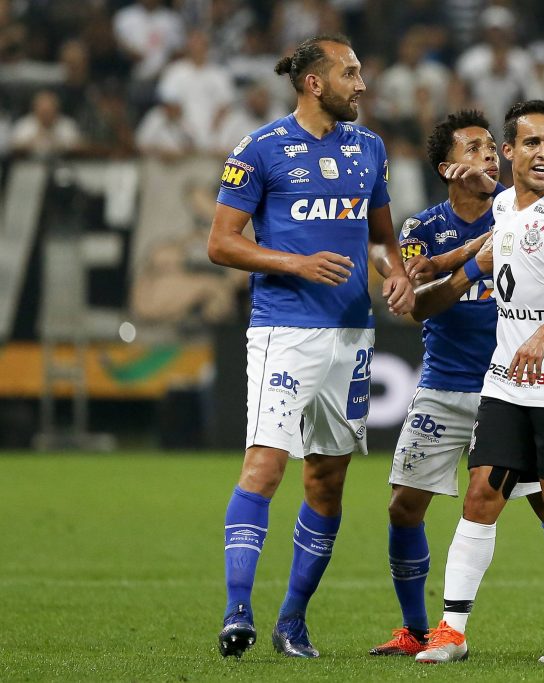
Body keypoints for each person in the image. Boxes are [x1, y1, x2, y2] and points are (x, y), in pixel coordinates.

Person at [370, 110, 544, 658]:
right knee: (481, 495)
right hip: (505, 382)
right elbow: (500, 234)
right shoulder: (506, 203)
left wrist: (543, 335)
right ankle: (450, 631)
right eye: (531, 142)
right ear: (511, 153)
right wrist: (449, 258)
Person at [207, 34, 414, 659]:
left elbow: (380, 238)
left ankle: (291, 622)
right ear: (314, 83)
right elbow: (221, 242)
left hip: (353, 335)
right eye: (350, 73)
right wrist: (292, 263)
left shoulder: (369, 148)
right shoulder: (260, 149)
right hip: (284, 330)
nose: (362, 84)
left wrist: (395, 273)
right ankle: (237, 610)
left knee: (326, 482)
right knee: (266, 464)